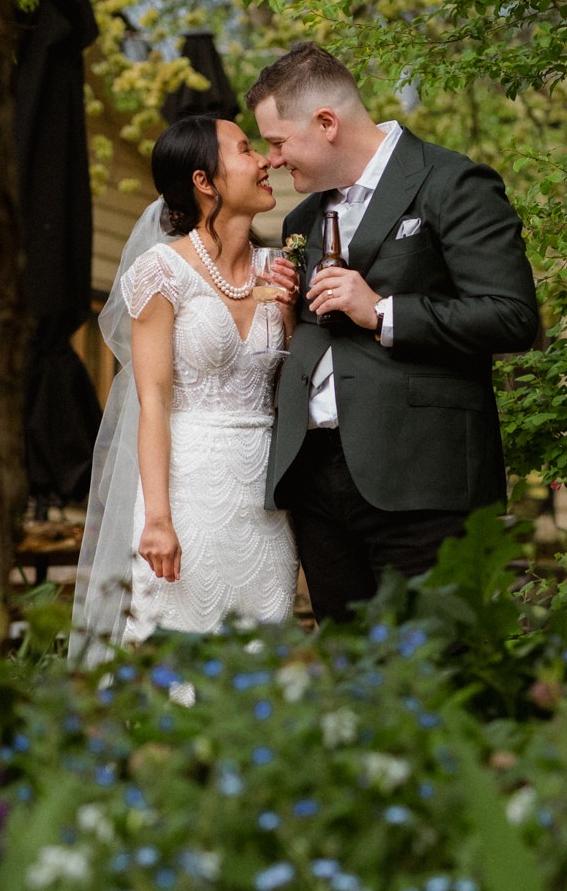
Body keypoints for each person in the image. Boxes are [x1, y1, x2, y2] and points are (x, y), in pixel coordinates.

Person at [248, 44, 539, 622]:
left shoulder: (451, 182)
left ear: (326, 123)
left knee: (439, 673)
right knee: (352, 672)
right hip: (316, 478)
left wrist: (382, 311)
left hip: (422, 478)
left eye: (278, 142)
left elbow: (512, 316)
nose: (273, 160)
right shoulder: (301, 220)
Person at [68, 115, 300, 660]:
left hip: (265, 497)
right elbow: (153, 402)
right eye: (245, 150)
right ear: (204, 181)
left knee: (262, 655)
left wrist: (291, 313)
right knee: (175, 652)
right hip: (185, 492)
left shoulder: (281, 271)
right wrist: (157, 520)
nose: (264, 159)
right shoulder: (161, 272)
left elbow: (297, 385)